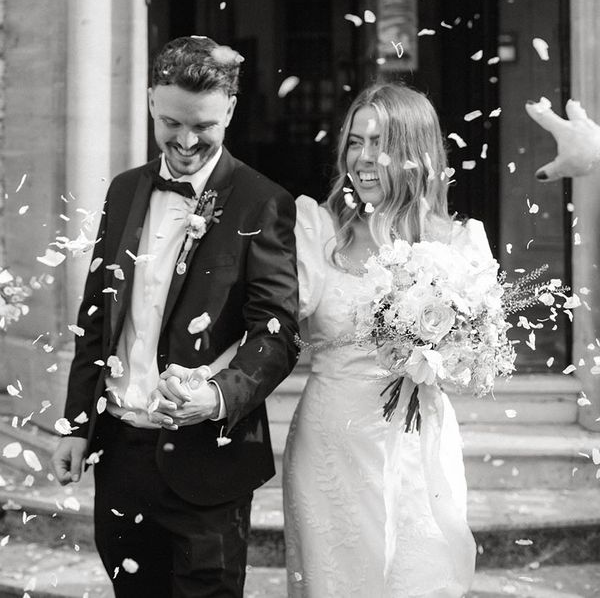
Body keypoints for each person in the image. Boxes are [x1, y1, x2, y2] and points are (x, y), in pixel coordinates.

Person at [51, 35, 299, 597]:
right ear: (149, 102)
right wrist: (75, 426)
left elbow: (277, 334)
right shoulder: (124, 189)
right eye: (171, 123)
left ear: (230, 110)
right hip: (120, 456)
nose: (186, 141)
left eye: (204, 126)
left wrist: (216, 396)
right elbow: (97, 316)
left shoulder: (262, 202)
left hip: (207, 467)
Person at [284, 83, 488, 597]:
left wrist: (444, 346)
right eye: (355, 142)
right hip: (331, 442)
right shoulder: (318, 229)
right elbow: (271, 325)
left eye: (380, 143)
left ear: (417, 153)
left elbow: (475, 371)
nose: (364, 159)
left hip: (418, 445)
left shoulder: (463, 243)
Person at [525, 97, 600, 181]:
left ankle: (538, 110)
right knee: (556, 122)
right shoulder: (580, 125)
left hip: (580, 157)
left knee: (555, 122)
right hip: (589, 142)